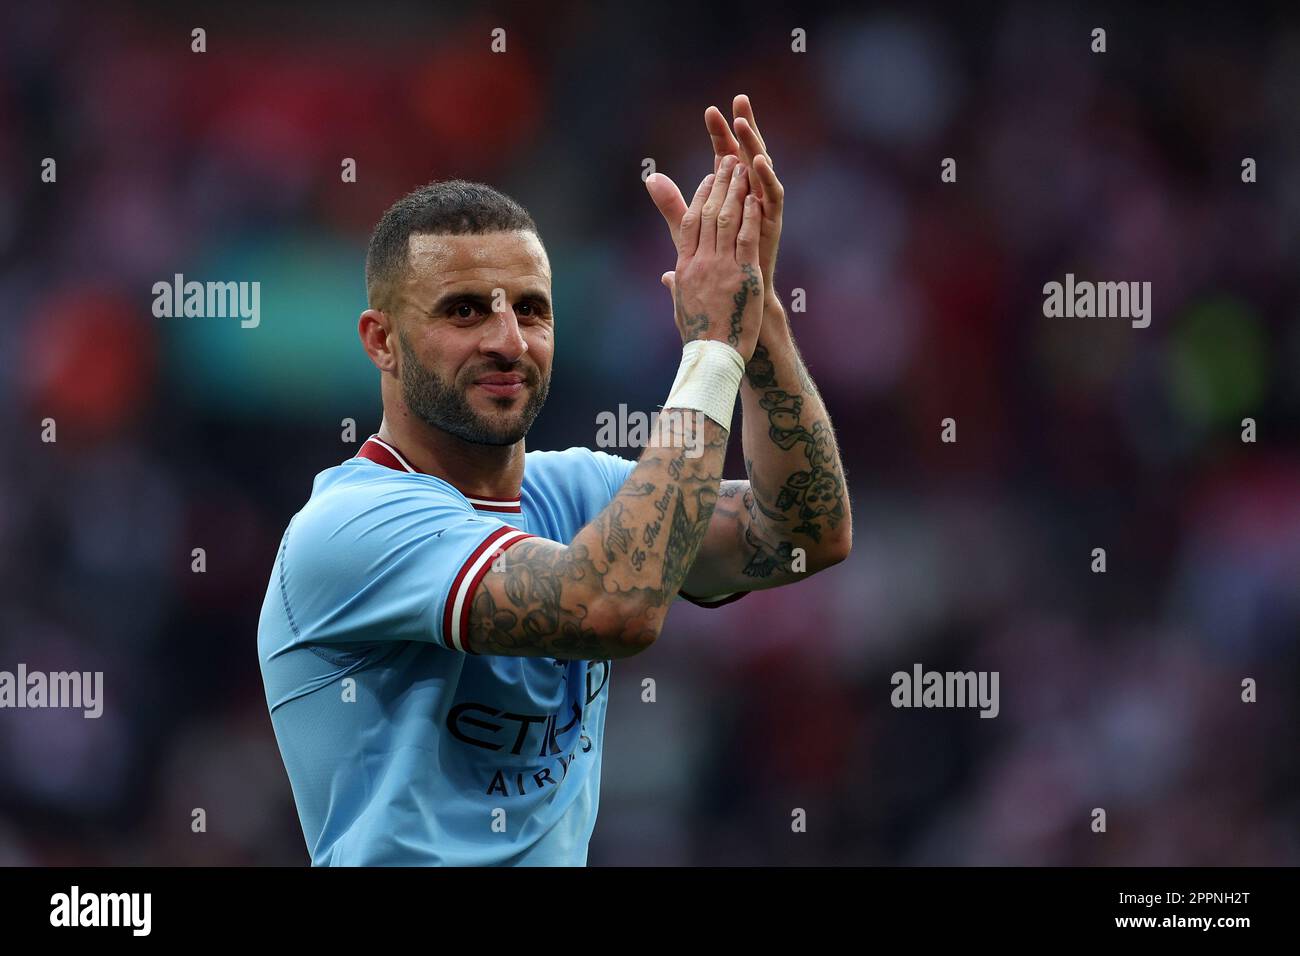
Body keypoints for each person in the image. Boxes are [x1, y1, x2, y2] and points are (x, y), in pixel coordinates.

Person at [257, 95, 851, 865]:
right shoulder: (348, 530)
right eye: (465, 311)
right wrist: (709, 353)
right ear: (382, 341)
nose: (508, 341)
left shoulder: (580, 493)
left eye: (531, 310)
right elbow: (613, 607)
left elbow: (803, 535)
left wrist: (756, 312)